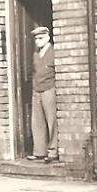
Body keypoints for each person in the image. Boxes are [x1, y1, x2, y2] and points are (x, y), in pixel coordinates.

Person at [28, 25, 58, 163]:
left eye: (40, 38)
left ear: (48, 38)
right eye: (36, 39)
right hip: (37, 90)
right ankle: (39, 151)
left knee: (51, 121)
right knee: (37, 122)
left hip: (49, 89)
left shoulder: (53, 52)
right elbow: (34, 72)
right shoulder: (35, 54)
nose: (38, 41)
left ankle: (53, 151)